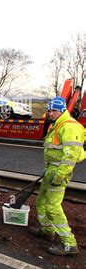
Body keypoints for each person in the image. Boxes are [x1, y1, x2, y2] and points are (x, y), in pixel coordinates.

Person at [28, 97, 85, 255]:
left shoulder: (70, 127)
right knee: (41, 201)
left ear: (62, 110)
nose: (49, 113)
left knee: (53, 206)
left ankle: (69, 243)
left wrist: (60, 176)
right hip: (51, 170)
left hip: (59, 171)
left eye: (53, 110)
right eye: (49, 110)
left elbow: (70, 157)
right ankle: (47, 231)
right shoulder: (58, 124)